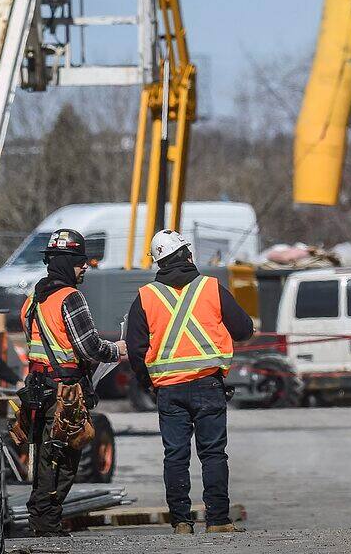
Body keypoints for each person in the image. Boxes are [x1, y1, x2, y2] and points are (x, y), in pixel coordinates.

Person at [124, 229, 254, 535]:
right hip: (208, 385)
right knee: (212, 453)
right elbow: (244, 329)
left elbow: (135, 349)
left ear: (159, 263)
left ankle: (181, 522)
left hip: (168, 390)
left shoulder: (146, 297)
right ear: (189, 255)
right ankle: (218, 520)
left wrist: (150, 384)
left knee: (176, 455)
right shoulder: (211, 288)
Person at [21, 228, 126, 537]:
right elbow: (89, 347)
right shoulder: (71, 298)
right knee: (65, 457)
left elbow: (36, 342)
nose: (85, 268)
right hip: (65, 392)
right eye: (81, 263)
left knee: (44, 452)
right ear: (67, 264)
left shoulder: (33, 300)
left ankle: (41, 518)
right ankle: (47, 522)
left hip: (38, 389)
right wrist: (116, 351)